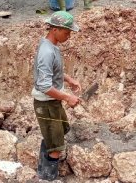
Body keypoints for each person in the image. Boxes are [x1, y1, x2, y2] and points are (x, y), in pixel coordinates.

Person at [32, 11, 82, 180]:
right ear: (54, 29)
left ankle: (42, 167)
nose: (69, 36)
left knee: (59, 132)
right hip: (46, 104)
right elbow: (44, 85)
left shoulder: (51, 46)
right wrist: (67, 97)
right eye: (67, 32)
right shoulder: (47, 52)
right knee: (56, 147)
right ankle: (48, 177)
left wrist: (69, 80)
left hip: (51, 102)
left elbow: (55, 72)